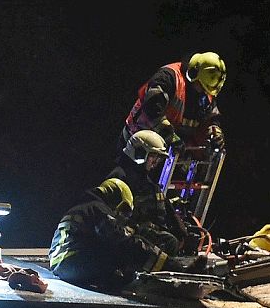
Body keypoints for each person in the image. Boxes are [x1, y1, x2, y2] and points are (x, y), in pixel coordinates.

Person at [48, 178, 206, 291]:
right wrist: (155, 255)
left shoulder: (87, 207)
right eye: (122, 210)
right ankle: (177, 272)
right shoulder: (98, 208)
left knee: (122, 270)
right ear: (115, 199)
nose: (120, 216)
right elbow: (121, 241)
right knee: (130, 250)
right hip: (73, 262)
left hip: (67, 263)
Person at [120, 51, 227, 158]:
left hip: (165, 154)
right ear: (193, 75)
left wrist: (215, 133)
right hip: (137, 145)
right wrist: (172, 138)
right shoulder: (167, 78)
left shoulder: (206, 90)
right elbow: (152, 110)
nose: (204, 93)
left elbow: (212, 118)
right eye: (202, 87)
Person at [105, 130, 191, 257]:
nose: (155, 162)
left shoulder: (146, 180)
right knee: (169, 242)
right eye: (153, 156)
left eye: (158, 158)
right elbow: (111, 220)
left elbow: (163, 203)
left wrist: (180, 228)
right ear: (139, 152)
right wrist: (141, 230)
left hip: (146, 240)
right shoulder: (119, 177)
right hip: (129, 243)